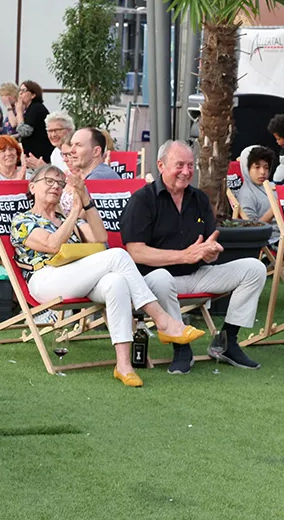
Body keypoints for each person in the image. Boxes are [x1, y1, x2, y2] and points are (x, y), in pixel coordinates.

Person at [11, 165, 204, 386]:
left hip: (76, 276)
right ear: (32, 186)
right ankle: (163, 321)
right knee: (117, 256)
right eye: (49, 181)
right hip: (45, 280)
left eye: (60, 183)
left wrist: (85, 199)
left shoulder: (69, 222)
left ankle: (123, 365)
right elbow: (52, 245)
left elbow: (101, 237)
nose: (56, 186)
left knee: (117, 282)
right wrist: (74, 211)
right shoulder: (22, 221)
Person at [121, 140, 266, 375]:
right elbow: (135, 251)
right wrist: (183, 256)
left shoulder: (198, 198)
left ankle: (228, 341)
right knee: (160, 278)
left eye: (190, 165)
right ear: (161, 165)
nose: (186, 172)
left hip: (198, 274)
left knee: (254, 268)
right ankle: (182, 347)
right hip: (154, 281)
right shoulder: (143, 200)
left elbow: (209, 242)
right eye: (179, 165)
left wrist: (210, 252)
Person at [233, 145, 279, 246]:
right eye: (257, 167)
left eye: (266, 167)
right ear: (246, 168)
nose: (262, 172)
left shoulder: (272, 186)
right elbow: (253, 228)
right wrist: (274, 209)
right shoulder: (247, 194)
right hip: (272, 239)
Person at [9, 80, 50, 161]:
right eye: (19, 90)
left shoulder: (36, 108)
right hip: (33, 155)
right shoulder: (31, 108)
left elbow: (24, 132)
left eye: (24, 90)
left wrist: (19, 112)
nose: (20, 93)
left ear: (33, 95)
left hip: (39, 157)